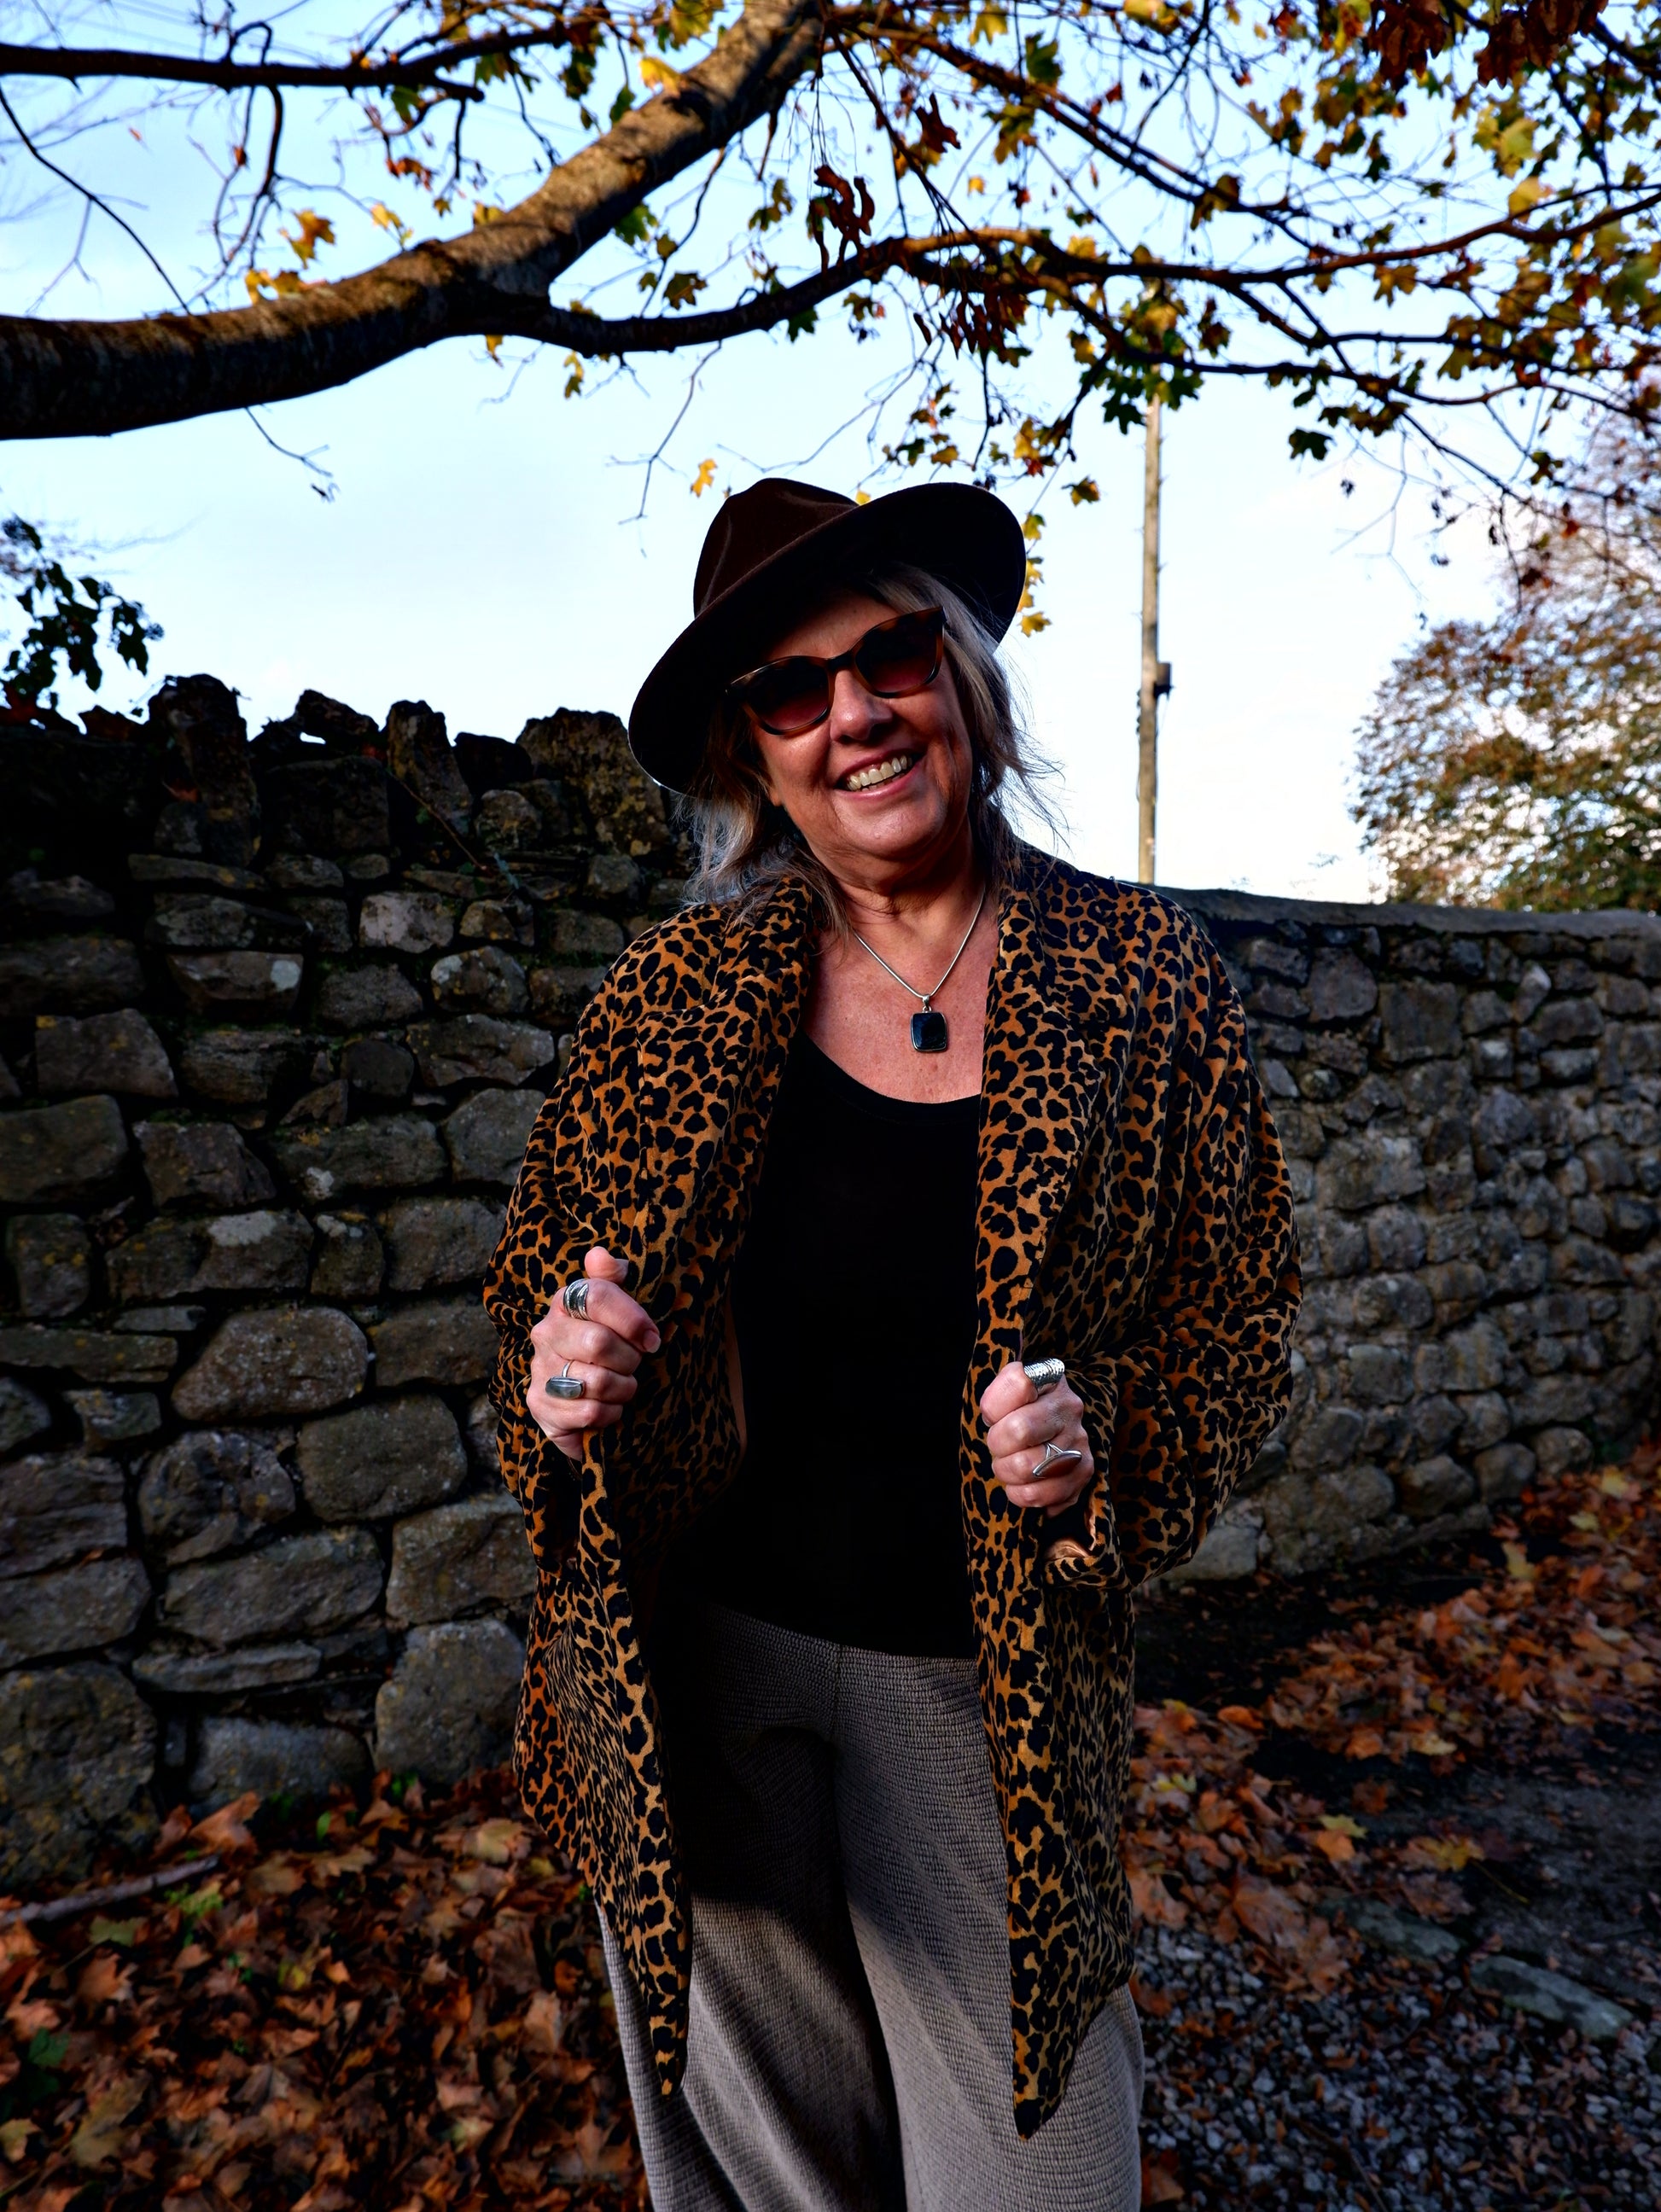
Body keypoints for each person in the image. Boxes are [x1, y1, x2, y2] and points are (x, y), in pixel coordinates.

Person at [483, 476, 1301, 2212]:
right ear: (751, 755)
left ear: (963, 677)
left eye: (887, 656)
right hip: (701, 1674)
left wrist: (1111, 1448)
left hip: (980, 1693)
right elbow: (532, 1322)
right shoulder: (669, 1002)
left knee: (1037, 2175)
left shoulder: (1144, 975)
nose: (851, 711)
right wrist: (564, 1388)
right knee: (778, 2181)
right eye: (791, 689)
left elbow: (1240, 1319)